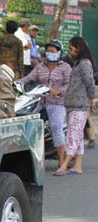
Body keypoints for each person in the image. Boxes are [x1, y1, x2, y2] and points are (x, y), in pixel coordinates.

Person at [19, 40, 71, 168]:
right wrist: (16, 83)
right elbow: (29, 78)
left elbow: (70, 85)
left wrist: (59, 91)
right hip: (38, 100)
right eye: (48, 51)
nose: (49, 53)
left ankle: (61, 160)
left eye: (52, 51)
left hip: (57, 102)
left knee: (56, 127)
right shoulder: (40, 66)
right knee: (23, 120)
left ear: (59, 53)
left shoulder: (65, 67)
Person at [53, 37, 96, 176]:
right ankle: (77, 166)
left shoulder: (84, 64)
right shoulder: (77, 64)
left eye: (72, 49)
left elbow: (90, 82)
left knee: (73, 135)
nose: (70, 52)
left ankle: (64, 164)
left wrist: (92, 99)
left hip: (80, 105)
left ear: (79, 48)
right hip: (72, 104)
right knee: (76, 135)